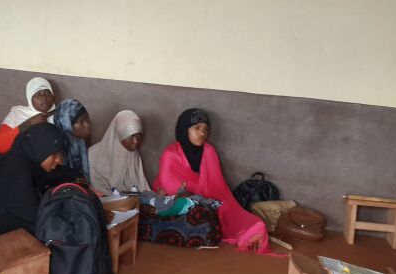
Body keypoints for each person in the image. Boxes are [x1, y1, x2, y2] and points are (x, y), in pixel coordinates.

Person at [153, 108, 270, 254]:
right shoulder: (170, 153)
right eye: (197, 128)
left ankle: (250, 232)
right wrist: (197, 196)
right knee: (188, 207)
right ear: (184, 129)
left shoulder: (209, 150)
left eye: (205, 129)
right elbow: (169, 186)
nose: (202, 133)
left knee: (226, 209)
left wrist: (203, 197)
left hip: (204, 198)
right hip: (177, 199)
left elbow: (217, 186)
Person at [0, 123, 67, 239]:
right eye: (54, 155)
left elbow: (58, 174)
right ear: (40, 149)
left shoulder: (26, 156)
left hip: (14, 222)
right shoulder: (18, 173)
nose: (60, 161)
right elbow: (35, 216)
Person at [88, 110, 150, 194]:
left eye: (139, 135)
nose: (136, 141)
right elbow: (98, 191)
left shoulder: (133, 154)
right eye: (131, 136)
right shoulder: (93, 155)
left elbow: (142, 186)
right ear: (119, 135)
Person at [0, 77, 56, 155]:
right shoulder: (18, 113)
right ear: (29, 97)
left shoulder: (61, 114)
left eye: (47, 93)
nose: (44, 99)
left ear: (53, 95)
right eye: (38, 94)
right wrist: (29, 123)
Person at [55, 98, 92, 179]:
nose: (88, 125)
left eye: (87, 119)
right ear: (67, 125)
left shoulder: (82, 141)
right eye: (81, 122)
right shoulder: (57, 154)